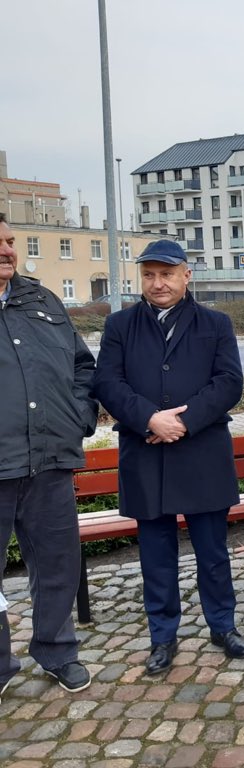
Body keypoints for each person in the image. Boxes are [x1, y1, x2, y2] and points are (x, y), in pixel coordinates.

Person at [92, 239, 244, 676]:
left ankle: (223, 625)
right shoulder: (120, 325)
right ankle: (162, 636)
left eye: (166, 274)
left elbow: (229, 383)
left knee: (213, 553)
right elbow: (107, 381)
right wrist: (149, 419)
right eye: (149, 275)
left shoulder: (215, 323)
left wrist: (182, 422)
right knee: (156, 555)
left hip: (201, 452)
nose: (157, 283)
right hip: (146, 454)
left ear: (186, 275)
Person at [0, 213, 98, 695]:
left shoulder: (42, 299)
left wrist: (79, 416)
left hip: (50, 461)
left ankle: (57, 650)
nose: (7, 250)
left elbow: (83, 365)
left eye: (11, 241)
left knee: (58, 562)